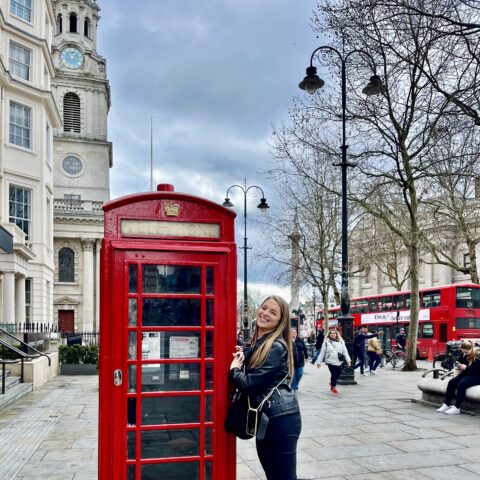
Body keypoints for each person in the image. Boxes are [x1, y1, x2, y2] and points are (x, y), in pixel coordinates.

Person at [229, 296, 301, 480]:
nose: (265, 313)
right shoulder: (260, 344)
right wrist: (242, 356)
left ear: (280, 320)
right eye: (264, 308)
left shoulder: (275, 346)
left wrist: (234, 370)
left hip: (281, 420)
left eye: (273, 312)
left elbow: (249, 384)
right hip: (267, 419)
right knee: (273, 475)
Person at [437, 340, 480, 415]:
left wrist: (466, 368)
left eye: (466, 352)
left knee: (462, 383)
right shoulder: (463, 353)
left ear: (471, 349)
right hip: (467, 373)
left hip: (477, 375)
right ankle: (446, 404)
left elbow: (478, 369)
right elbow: (459, 361)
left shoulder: (477, 355)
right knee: (452, 382)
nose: (464, 354)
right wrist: (458, 365)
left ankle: (457, 407)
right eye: (463, 352)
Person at [316, 328, 351, 395]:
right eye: (331, 333)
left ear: (336, 334)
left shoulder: (341, 341)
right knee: (334, 374)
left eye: (334, 333)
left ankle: (332, 382)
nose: (332, 334)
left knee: (338, 375)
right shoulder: (326, 342)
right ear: (329, 334)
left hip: (338, 360)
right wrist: (319, 362)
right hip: (330, 361)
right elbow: (322, 353)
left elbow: (345, 351)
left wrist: (348, 360)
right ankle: (333, 387)